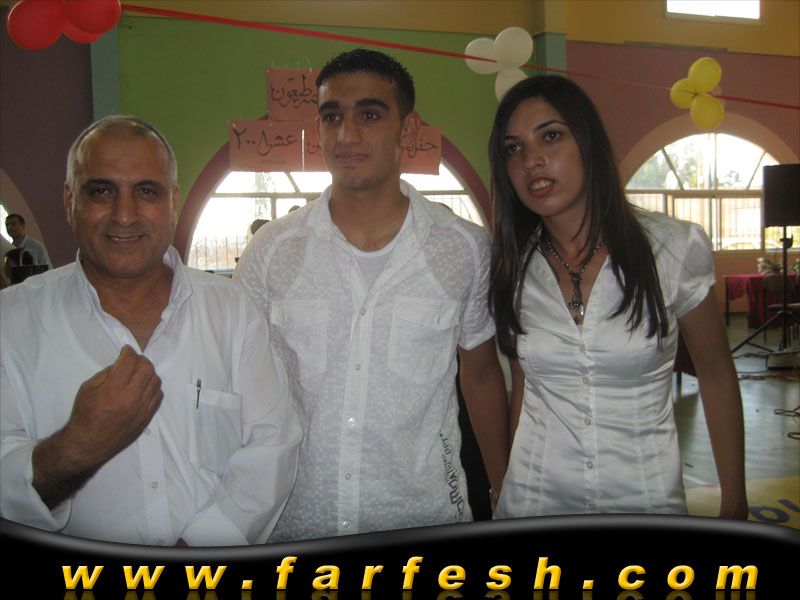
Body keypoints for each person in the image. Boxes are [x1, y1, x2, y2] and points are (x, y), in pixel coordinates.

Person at [235, 48, 509, 541]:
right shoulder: (272, 252)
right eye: (331, 116)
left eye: (370, 114)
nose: (347, 134)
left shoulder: (463, 249)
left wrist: (502, 491)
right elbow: (238, 385)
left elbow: (482, 376)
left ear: (408, 128)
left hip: (422, 517)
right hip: (297, 524)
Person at [0, 115, 302, 545]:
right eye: (101, 191)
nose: (124, 215)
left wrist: (193, 553)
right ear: (69, 199)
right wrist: (75, 448)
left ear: (173, 200)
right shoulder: (11, 323)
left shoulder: (233, 312)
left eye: (146, 191)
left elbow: (272, 447)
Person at [487, 76, 748, 519]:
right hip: (535, 502)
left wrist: (735, 502)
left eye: (551, 136)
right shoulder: (513, 266)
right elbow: (524, 389)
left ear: (588, 142)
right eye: (513, 148)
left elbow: (717, 374)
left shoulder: (672, 249)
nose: (531, 160)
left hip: (645, 503)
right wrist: (502, 494)